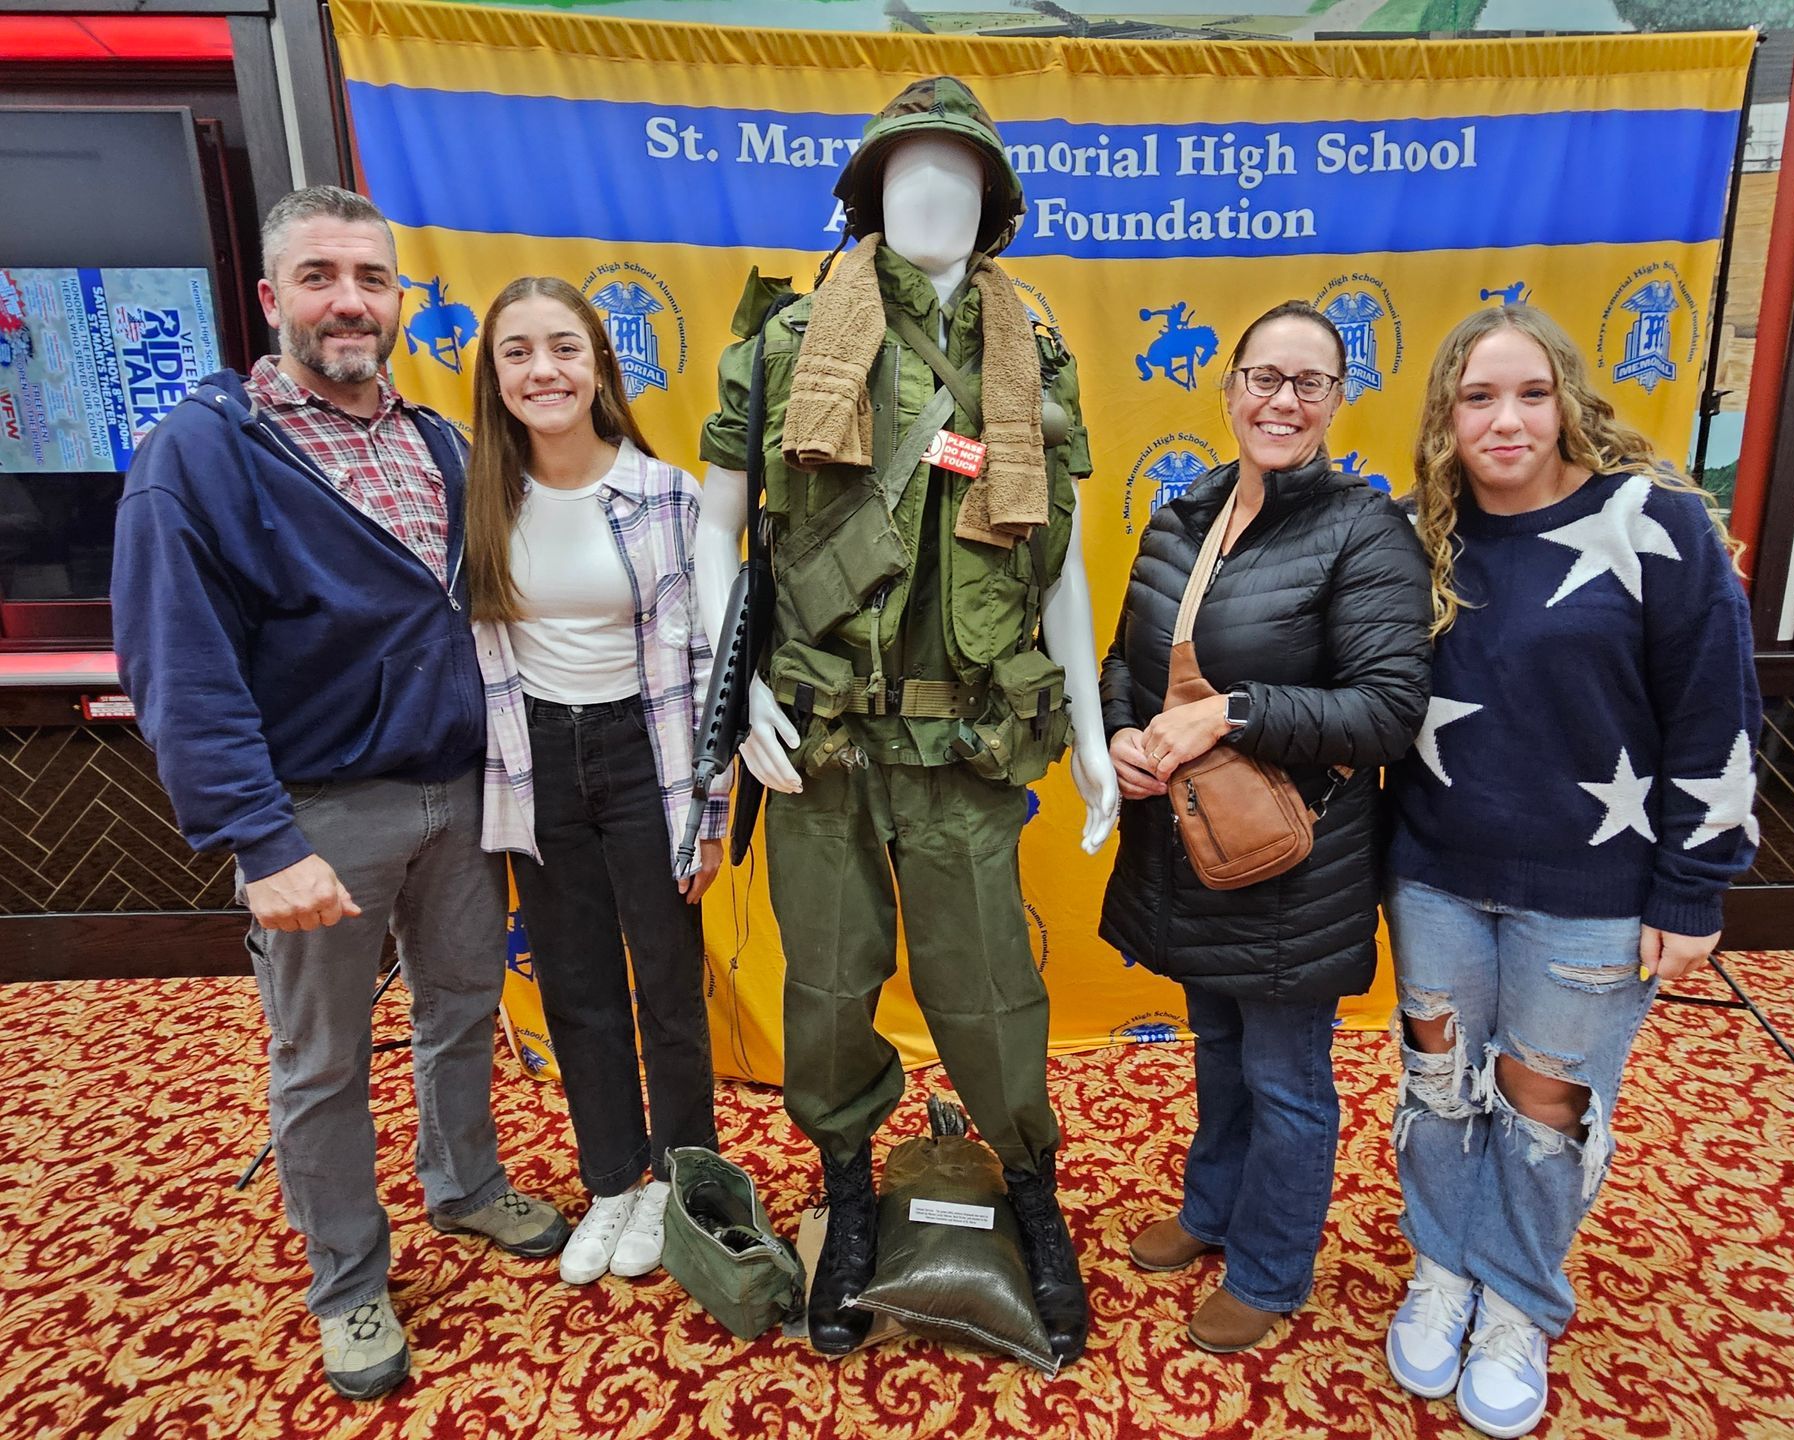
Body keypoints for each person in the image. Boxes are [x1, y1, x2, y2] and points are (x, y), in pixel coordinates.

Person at [111, 186, 565, 1402]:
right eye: (319, 276)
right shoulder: (201, 453)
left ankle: (464, 1187)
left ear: (402, 299)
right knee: (320, 1063)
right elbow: (179, 666)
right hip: (319, 815)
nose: (348, 299)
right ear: (271, 300)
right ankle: (349, 1279)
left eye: (370, 276)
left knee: (464, 1012)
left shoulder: (443, 442)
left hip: (462, 798)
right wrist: (259, 841)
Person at [695, 77, 1119, 1364]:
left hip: (969, 743)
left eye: (961, 176)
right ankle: (846, 1187)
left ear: (994, 209)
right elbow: (718, 534)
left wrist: (1092, 734)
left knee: (992, 993)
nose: (932, 192)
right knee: (824, 991)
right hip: (819, 738)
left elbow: (1066, 562)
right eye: (905, 171)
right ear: (864, 194)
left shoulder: (1033, 355)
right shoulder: (778, 348)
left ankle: (1032, 1193)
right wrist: (743, 686)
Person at [1382, 305, 1760, 1438]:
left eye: (1529, 394)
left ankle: (1517, 1300)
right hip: (1437, 873)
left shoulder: (1662, 525)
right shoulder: (1416, 540)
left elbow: (1716, 718)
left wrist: (1697, 885)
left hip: (1594, 890)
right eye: (1478, 398)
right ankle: (1444, 1267)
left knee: (1544, 1110)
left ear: (1568, 401)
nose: (1506, 419)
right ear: (1446, 419)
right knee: (1439, 1092)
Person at [1099, 300, 1432, 1354]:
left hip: (1300, 855)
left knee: (1287, 1076)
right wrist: (1119, 734)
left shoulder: (1363, 530)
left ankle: (1273, 1266)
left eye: (1310, 383)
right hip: (1195, 849)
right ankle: (1211, 1209)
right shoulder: (1182, 516)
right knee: (1217, 1047)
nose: (1282, 400)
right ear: (1230, 385)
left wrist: (1232, 713)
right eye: (1265, 377)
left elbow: (1388, 709)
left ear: (1339, 401)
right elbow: (1125, 661)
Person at [465, 276, 726, 1288]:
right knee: (575, 985)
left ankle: (683, 1181)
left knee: (666, 982)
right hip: (534, 757)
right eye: (519, 353)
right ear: (495, 379)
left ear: (600, 368)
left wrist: (709, 811)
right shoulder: (479, 495)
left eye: (564, 348)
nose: (544, 370)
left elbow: (709, 662)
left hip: (644, 757)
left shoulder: (668, 495)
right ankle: (614, 1181)